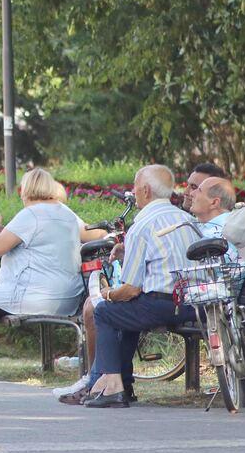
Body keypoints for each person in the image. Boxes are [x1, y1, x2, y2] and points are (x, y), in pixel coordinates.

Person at [0, 180, 105, 378]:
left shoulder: (31, 214)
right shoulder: (67, 214)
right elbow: (99, 233)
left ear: (26, 191)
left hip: (38, 296)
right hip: (69, 297)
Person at [77, 165, 198, 408]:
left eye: (135, 186)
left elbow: (131, 288)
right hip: (193, 304)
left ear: (145, 190)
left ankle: (112, 387)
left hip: (163, 304)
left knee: (105, 312)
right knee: (126, 313)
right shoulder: (187, 219)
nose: (133, 191)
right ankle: (124, 383)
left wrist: (108, 294)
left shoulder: (142, 226)